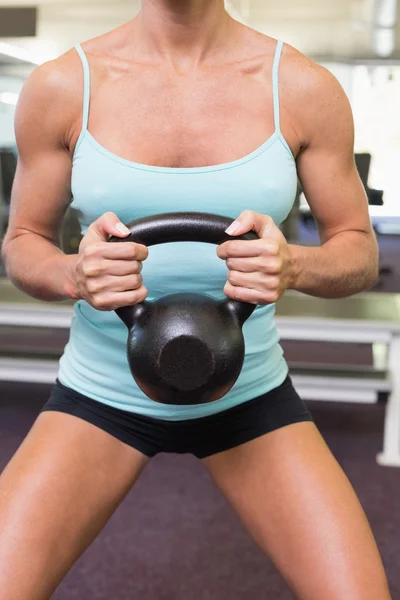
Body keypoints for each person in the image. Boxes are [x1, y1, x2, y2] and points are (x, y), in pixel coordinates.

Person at [0, 1, 392, 598]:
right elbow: (23, 244)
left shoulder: (304, 87)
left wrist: (295, 264)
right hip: (101, 391)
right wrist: (74, 274)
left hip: (249, 392)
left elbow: (358, 252)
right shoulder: (63, 85)